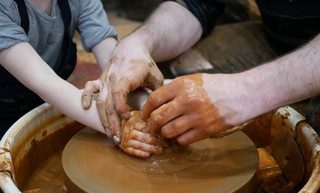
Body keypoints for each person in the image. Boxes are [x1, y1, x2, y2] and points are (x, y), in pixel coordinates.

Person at [81, 0, 320, 147]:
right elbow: (198, 5)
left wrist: (248, 91)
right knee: (157, 73)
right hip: (277, 40)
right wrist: (140, 43)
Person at [0, 0, 117, 193]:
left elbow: (111, 54)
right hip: (3, 105)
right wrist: (120, 127)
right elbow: (42, 80)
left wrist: (137, 98)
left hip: (49, 96)